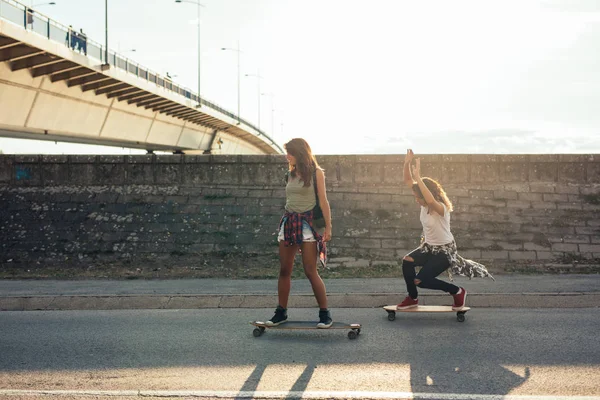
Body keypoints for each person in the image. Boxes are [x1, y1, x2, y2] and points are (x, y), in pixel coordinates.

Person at [398, 149, 493, 310]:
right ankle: (412, 298)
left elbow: (428, 198)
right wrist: (407, 162)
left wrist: (419, 177)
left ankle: (457, 291)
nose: (416, 200)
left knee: (421, 281)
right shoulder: (424, 204)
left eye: (418, 197)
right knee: (407, 261)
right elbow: (408, 180)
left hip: (444, 252)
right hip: (429, 247)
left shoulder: (440, 208)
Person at [266, 138, 333, 328]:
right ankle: (281, 313)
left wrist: (328, 227)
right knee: (284, 270)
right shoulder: (289, 173)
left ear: (300, 153)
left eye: (290, 152)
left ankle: (325, 313)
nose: (287, 156)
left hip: (307, 225)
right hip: (289, 222)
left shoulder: (316, 173)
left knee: (310, 271)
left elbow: (323, 202)